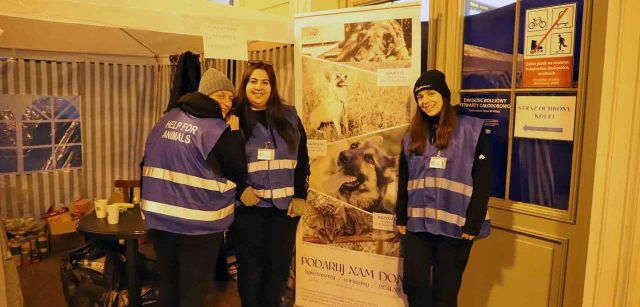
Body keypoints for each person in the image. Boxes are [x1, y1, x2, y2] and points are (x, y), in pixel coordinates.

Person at [140, 68, 255, 307]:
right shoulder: (214, 129)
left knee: (169, 287)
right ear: (206, 94)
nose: (227, 102)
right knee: (193, 292)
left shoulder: (166, 119)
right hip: (197, 227)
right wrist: (233, 133)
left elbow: (145, 161)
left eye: (230, 98)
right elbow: (238, 169)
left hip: (160, 222)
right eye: (221, 95)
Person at [396, 69, 492, 307]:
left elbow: (483, 179)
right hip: (419, 220)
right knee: (414, 282)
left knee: (445, 292)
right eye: (420, 97)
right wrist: (401, 215)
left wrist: (474, 221)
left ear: (444, 95)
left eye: (431, 93)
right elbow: (404, 176)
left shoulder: (471, 129)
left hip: (456, 223)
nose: (425, 101)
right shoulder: (412, 135)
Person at [232, 61, 310, 307]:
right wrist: (240, 189)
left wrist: (300, 196)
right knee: (251, 272)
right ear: (245, 85)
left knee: (277, 271)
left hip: (284, 211)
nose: (259, 87)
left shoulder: (289, 115)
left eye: (265, 82)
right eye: (253, 81)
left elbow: (303, 158)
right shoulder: (234, 118)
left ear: (273, 86)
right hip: (250, 211)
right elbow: (224, 161)